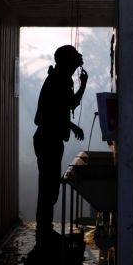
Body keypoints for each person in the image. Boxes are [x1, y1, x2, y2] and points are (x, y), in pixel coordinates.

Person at [33, 44, 88, 243]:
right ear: (67, 63)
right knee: (49, 187)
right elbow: (69, 104)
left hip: (46, 139)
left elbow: (57, 111)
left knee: (48, 186)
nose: (75, 67)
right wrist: (83, 85)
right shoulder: (60, 80)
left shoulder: (56, 78)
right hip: (49, 140)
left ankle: (44, 230)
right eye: (73, 62)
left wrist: (72, 127)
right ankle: (44, 232)